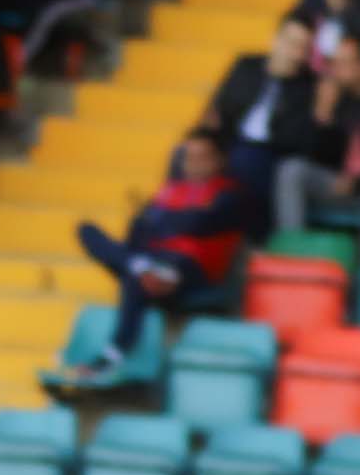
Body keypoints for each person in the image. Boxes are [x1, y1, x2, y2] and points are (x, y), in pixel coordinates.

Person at [64, 130, 247, 381]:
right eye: (188, 157)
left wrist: (158, 222)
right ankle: (140, 266)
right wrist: (151, 230)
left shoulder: (228, 196)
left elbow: (198, 223)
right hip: (151, 260)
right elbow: (138, 232)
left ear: (219, 160)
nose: (193, 164)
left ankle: (112, 355)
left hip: (189, 270)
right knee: (87, 230)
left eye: (201, 157)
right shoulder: (169, 191)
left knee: (138, 274)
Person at [274, 33, 360, 252]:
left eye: (344, 63)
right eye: (333, 63)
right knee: (291, 170)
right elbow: (316, 157)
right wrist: (322, 116)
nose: (335, 70)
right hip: (338, 183)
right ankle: (292, 250)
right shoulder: (335, 98)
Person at [203, 14, 318, 231]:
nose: (296, 52)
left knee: (245, 161)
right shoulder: (246, 65)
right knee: (188, 151)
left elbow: (296, 139)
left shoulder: (307, 87)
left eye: (304, 47)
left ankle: (248, 236)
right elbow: (222, 107)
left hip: (271, 153)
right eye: (292, 43)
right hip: (232, 141)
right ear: (275, 40)